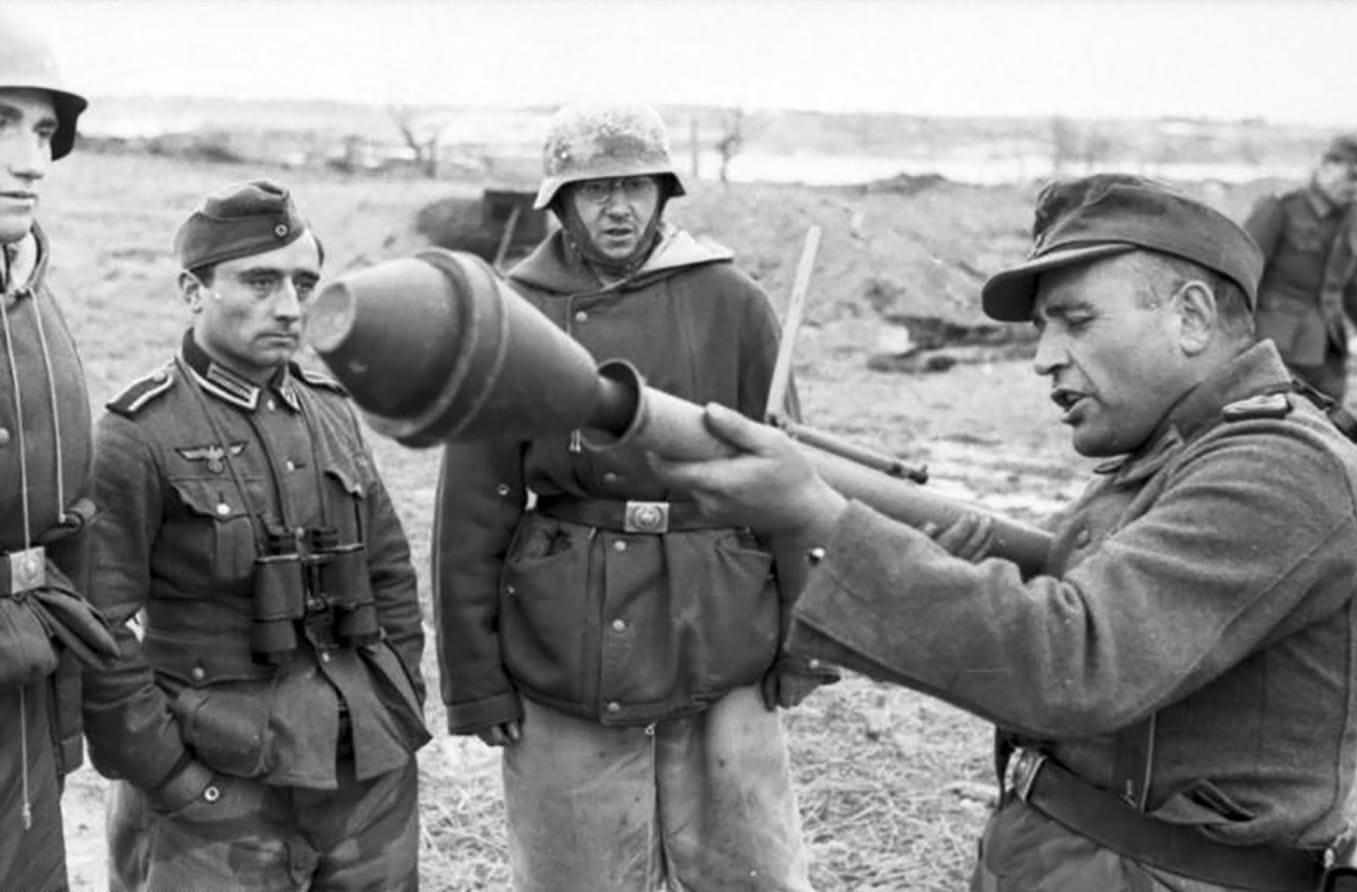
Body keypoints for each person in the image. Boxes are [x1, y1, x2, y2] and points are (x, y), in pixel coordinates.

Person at [652, 174, 1357, 891]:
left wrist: (818, 519)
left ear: (1192, 317)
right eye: (1044, 329)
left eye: (1076, 321)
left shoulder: (1278, 468)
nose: (1043, 359)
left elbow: (1074, 660)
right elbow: (1077, 590)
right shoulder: (1180, 450)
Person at [433, 101, 831, 892]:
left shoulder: (732, 302)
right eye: (593, 190)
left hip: (720, 618)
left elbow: (790, 487)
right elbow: (475, 507)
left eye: (635, 187)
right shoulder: (515, 313)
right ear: (559, 203)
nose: (617, 208)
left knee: (744, 867)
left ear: (663, 193)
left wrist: (807, 633)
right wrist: (475, 680)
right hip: (566, 630)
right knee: (578, 871)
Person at [83, 180, 430, 891]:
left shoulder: (331, 411)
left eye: (304, 283)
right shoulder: (138, 434)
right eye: (261, 281)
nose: (290, 307)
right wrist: (172, 778)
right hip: (216, 783)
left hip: (363, 773)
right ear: (193, 290)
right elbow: (98, 631)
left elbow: (390, 577)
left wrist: (400, 704)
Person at [0, 9, 117, 891]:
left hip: (28, 679)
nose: (32, 161)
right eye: (2, 123)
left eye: (44, 130)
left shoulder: (34, 298)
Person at [1243, 134, 1357, 402]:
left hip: (1328, 353)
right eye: (1352, 177)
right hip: (1276, 350)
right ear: (1326, 166)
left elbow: (1351, 283)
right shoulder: (1281, 208)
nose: (1356, 187)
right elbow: (1242, 270)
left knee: (1330, 429)